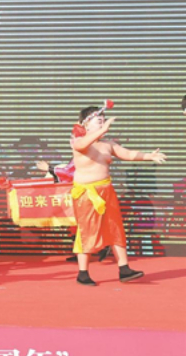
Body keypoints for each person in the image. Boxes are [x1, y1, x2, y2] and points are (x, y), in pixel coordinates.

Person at [70, 103, 166, 286]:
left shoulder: (108, 144)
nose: (103, 123)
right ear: (85, 124)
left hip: (106, 190)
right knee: (87, 231)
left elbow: (127, 154)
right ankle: (83, 273)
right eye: (99, 121)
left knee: (115, 228)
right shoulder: (78, 142)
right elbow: (82, 145)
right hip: (87, 194)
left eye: (103, 120)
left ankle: (124, 269)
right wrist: (103, 129)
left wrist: (148, 156)